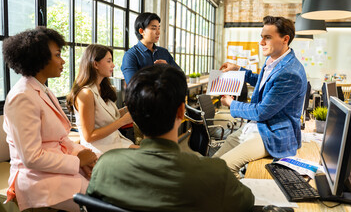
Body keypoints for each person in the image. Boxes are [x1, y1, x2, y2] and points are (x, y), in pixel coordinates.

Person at [87, 64, 254, 212]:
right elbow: (247, 202)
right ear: (181, 112)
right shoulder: (215, 173)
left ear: (133, 115)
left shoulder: (104, 167)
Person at [2, 27, 97, 212]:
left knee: (105, 179)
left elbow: (60, 138)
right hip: (37, 179)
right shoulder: (22, 97)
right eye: (57, 55)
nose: (62, 61)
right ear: (39, 58)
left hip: (54, 170)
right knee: (102, 196)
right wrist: (78, 161)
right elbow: (32, 157)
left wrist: (83, 154)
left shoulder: (42, 89)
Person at [214, 16, 307, 179]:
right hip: (255, 127)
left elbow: (261, 112)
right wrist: (238, 69)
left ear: (285, 39)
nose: (261, 42)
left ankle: (244, 201)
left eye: (268, 37)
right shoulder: (273, 60)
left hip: (273, 133)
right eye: (262, 37)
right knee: (212, 164)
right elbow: (264, 82)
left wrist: (231, 103)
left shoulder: (291, 73)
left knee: (227, 167)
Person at [67, 44, 138, 154]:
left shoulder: (102, 89)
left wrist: (126, 110)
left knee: (153, 154)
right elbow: (89, 136)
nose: (113, 65)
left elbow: (105, 118)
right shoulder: (86, 94)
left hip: (115, 142)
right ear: (95, 64)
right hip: (100, 150)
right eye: (109, 61)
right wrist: (123, 121)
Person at [121, 12, 180, 84]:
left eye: (159, 28)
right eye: (153, 28)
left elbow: (180, 76)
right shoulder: (130, 55)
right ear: (141, 31)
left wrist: (168, 68)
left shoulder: (164, 52)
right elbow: (133, 85)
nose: (158, 32)